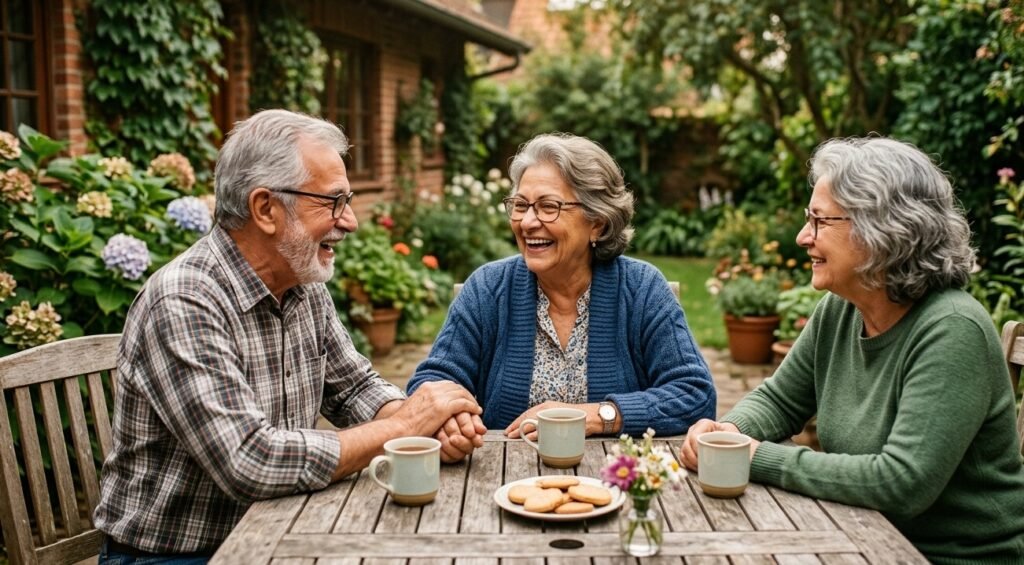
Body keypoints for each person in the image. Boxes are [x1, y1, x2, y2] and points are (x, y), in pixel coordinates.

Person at [93, 110, 483, 562]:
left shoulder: (299, 281)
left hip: (281, 528)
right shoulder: (184, 300)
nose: (351, 220)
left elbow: (353, 387)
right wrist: (403, 426)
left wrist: (427, 424)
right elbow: (250, 461)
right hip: (178, 555)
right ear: (265, 209)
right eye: (333, 202)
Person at [681, 137, 1024, 563]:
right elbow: (780, 400)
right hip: (856, 535)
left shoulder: (952, 329)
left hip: (943, 557)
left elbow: (900, 483)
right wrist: (730, 431)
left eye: (820, 221)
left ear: (881, 230)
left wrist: (756, 456)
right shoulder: (842, 309)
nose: (802, 236)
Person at [407, 133, 716, 462]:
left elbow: (694, 394)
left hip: (617, 481)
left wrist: (598, 416)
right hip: (497, 484)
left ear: (596, 223)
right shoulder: (488, 288)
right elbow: (430, 384)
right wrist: (452, 423)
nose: (527, 222)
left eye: (548, 207)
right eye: (521, 206)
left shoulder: (641, 289)